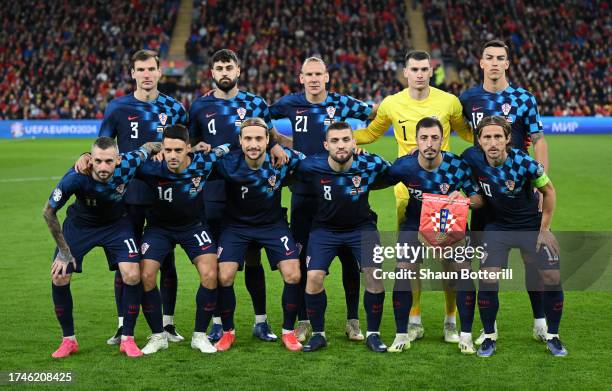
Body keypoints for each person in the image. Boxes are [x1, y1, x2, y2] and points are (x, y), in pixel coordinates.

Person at [354, 50, 474, 343]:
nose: (420, 74)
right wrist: (344, 141)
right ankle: (415, 319)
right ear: (404, 72)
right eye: (414, 69)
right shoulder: (392, 103)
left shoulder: (449, 102)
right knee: (411, 260)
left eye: (424, 69)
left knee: (450, 260)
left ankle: (450, 321)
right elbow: (370, 134)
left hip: (445, 195)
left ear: (431, 71)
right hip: (407, 193)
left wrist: (506, 142)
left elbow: (469, 135)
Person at [78, 49, 189, 344]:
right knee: (125, 260)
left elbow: (185, 150)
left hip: (164, 195)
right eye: (141, 69)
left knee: (166, 260)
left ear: (159, 72)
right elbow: (101, 146)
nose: (147, 74)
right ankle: (121, 324)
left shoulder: (175, 108)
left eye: (152, 69)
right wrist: (86, 156)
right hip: (127, 196)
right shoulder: (118, 107)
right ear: (133, 73)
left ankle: (167, 324)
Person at [270, 56, 378, 342]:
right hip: (305, 194)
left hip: (343, 192)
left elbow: (376, 114)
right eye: (309, 74)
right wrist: (280, 143)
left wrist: (359, 145)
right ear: (301, 78)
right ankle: (305, 319)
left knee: (349, 260)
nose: (315, 79)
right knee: (306, 259)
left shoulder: (342, 102)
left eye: (319, 74)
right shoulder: (291, 103)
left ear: (327, 77)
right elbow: (258, 116)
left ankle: (353, 320)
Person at [189, 49, 288, 343]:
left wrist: (277, 147)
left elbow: (270, 136)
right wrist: (198, 148)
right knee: (220, 263)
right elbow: (191, 144)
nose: (224, 72)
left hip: (254, 191)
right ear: (212, 72)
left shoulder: (255, 103)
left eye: (228, 67)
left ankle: (261, 321)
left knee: (254, 257)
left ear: (238, 70)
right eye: (218, 67)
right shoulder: (199, 106)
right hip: (215, 193)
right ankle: (219, 323)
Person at [459, 39, 550, 344]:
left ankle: (540, 321)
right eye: (489, 57)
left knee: (531, 260)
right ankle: (489, 326)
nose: (495, 62)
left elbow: (538, 140)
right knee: (486, 263)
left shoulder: (523, 98)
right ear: (481, 63)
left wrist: (540, 183)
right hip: (483, 195)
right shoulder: (468, 98)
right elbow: (460, 133)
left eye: (501, 58)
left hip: (519, 193)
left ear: (508, 64)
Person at [44, 137, 160, 358]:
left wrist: (163, 149)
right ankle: (68, 340)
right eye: (98, 161)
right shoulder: (76, 177)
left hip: (116, 226)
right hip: (80, 227)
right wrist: (64, 252)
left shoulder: (129, 162)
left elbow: (147, 147)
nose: (103, 167)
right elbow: (48, 211)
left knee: (133, 275)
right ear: (90, 160)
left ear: (117, 160)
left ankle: (128, 338)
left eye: (108, 161)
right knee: (59, 276)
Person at [462, 116, 566, 357]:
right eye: (487, 137)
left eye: (498, 136)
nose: (493, 142)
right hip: (497, 227)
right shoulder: (471, 158)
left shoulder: (524, 162)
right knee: (488, 276)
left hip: (530, 225)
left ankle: (553, 336)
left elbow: (548, 191)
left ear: (508, 139)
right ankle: (489, 336)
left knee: (550, 274)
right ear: (479, 140)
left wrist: (545, 229)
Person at [383, 117, 484, 353]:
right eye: (424, 138)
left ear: (442, 141)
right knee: (403, 268)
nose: (429, 143)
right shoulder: (404, 165)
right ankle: (402, 334)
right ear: (416, 141)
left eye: (434, 138)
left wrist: (466, 200)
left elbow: (479, 199)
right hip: (414, 223)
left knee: (461, 270)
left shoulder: (456, 166)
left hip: (448, 222)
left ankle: (460, 331)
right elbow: (377, 179)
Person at [295, 122, 390, 353]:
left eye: (346, 140)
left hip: (361, 228)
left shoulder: (370, 163)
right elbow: (286, 173)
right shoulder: (310, 166)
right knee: (314, 277)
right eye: (335, 141)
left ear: (354, 142)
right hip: (324, 230)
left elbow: (394, 173)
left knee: (374, 275)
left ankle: (373, 335)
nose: (341, 145)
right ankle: (318, 334)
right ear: (326, 145)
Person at [136, 125, 229, 355]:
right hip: (159, 229)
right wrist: (86, 157)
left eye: (179, 150)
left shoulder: (203, 162)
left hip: (193, 227)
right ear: (162, 149)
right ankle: (158, 336)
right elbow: (120, 161)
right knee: (146, 275)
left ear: (189, 148)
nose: (173, 155)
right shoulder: (152, 167)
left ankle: (199, 335)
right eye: (168, 150)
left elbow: (229, 146)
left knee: (210, 274)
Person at [212, 118, 304, 352]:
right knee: (224, 276)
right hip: (236, 227)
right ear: (240, 141)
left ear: (267, 141)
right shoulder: (227, 163)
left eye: (259, 139)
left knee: (293, 274)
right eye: (248, 139)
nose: (254, 144)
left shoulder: (282, 159)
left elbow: (315, 162)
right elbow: (191, 163)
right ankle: (228, 332)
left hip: (272, 225)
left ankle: (288, 332)